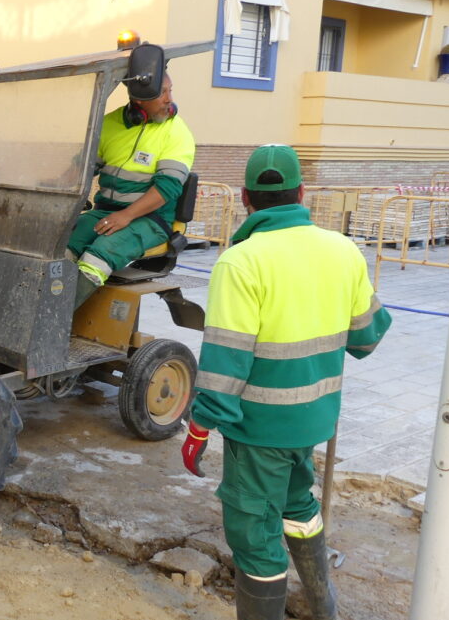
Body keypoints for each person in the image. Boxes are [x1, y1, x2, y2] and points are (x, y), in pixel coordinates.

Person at [179, 144, 392, 619]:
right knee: (298, 507)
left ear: (243, 197)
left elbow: (225, 364)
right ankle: (323, 607)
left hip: (260, 428)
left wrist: (198, 428)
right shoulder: (343, 249)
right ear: (301, 192)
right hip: (315, 419)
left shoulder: (241, 262)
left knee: (254, 537)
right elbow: (368, 337)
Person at [65, 70, 195, 309]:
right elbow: (80, 168)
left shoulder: (176, 133)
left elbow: (166, 189)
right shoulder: (109, 124)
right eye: (161, 93)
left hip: (151, 220)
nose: (169, 99)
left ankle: (56, 320)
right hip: (106, 212)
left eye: (170, 90)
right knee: (62, 246)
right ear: (138, 100)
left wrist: (126, 215)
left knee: (99, 254)